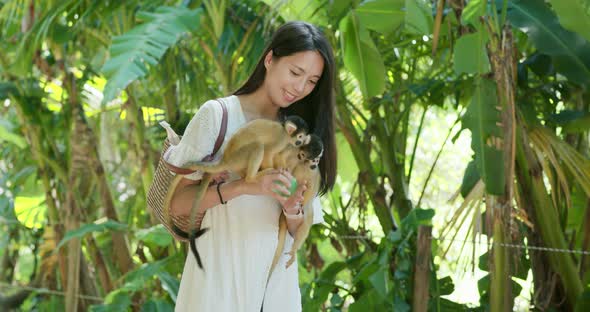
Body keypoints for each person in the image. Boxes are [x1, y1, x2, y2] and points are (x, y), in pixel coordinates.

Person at [165, 21, 337, 312]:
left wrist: (292, 208)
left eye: (311, 81)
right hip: (217, 285)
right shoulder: (218, 116)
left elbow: (298, 227)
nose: (300, 87)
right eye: (296, 72)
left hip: (276, 291)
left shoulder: (302, 136)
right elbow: (178, 205)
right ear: (270, 59)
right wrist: (244, 186)